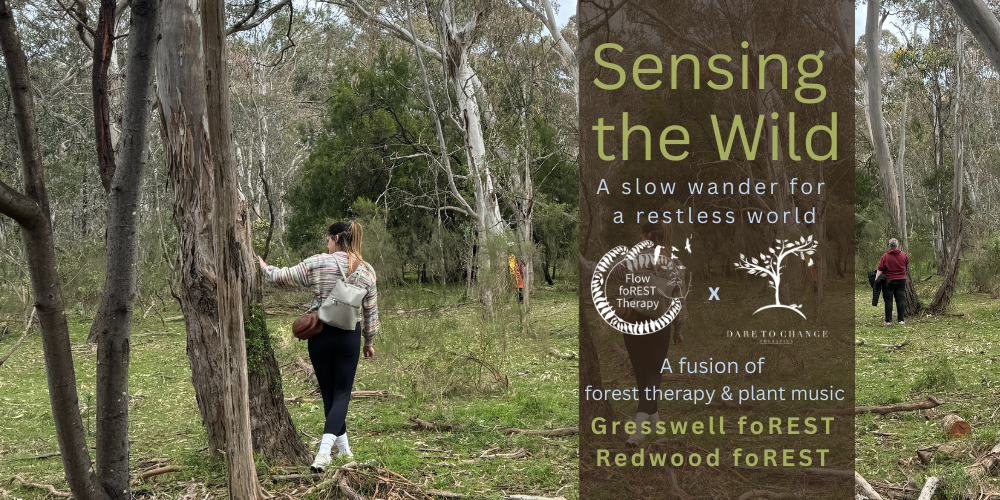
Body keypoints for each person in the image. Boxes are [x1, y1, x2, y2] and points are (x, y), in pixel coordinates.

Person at [257, 221, 379, 472]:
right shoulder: (367, 271)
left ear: (335, 239)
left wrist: (265, 268)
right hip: (348, 336)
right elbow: (370, 311)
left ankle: (331, 452)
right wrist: (368, 341)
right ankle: (334, 451)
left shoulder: (320, 262)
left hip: (319, 334)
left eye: (328, 240)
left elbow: (285, 278)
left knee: (329, 394)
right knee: (342, 393)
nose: (327, 244)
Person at [580, 222, 688, 444]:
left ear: (647, 237)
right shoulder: (674, 264)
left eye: (641, 236)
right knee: (653, 374)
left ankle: (653, 428)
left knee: (642, 375)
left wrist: (583, 262)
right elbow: (680, 299)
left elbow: (605, 270)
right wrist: (679, 329)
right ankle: (640, 431)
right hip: (660, 324)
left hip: (633, 323)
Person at [876, 238, 908, 326]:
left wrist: (876, 280)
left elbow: (880, 269)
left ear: (889, 246)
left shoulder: (885, 257)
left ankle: (888, 321)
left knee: (888, 300)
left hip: (888, 281)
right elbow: (906, 264)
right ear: (897, 246)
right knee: (900, 300)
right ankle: (901, 320)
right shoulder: (903, 255)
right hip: (901, 280)